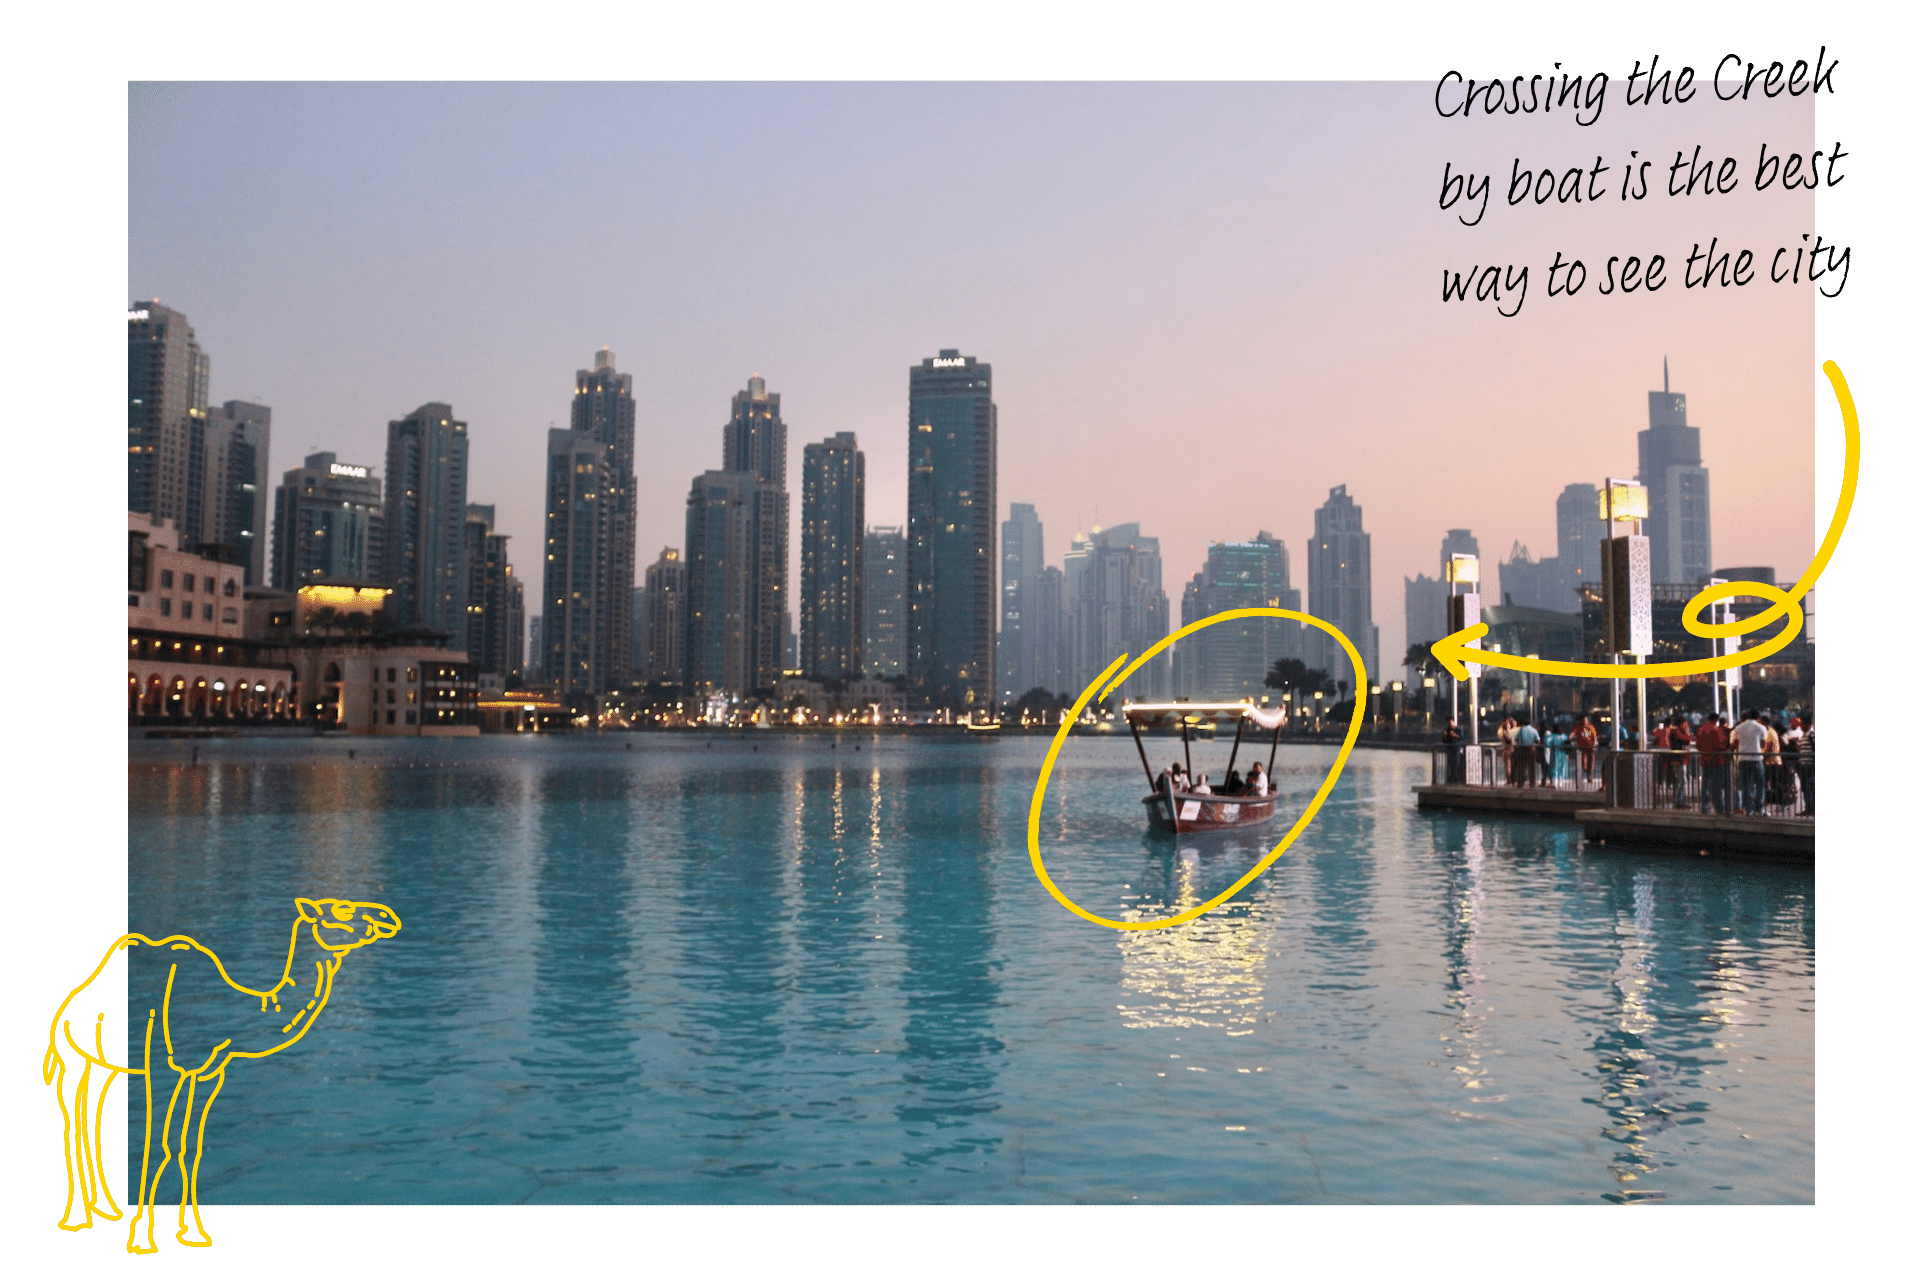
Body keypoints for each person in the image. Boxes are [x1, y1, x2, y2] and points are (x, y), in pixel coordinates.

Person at [1730, 709, 1768, 814]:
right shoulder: (1761, 727)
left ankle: (1749, 809)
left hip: (1743, 759)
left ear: (1747, 716)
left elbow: (1735, 744)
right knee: (1760, 784)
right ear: (1758, 717)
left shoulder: (1739, 727)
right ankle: (1759, 809)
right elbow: (1763, 745)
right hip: (1757, 758)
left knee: (1747, 785)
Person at [1695, 713, 1732, 815]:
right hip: (1717, 761)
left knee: (1705, 786)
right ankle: (1719, 808)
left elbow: (1698, 746)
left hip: (1704, 760)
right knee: (1717, 787)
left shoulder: (1700, 729)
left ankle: (1704, 808)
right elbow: (1721, 745)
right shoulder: (1717, 730)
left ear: (1707, 718)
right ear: (1717, 720)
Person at [1761, 714, 1786, 808]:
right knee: (1770, 782)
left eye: (1760, 721)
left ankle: (1782, 801)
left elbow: (1769, 748)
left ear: (1765, 722)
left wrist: (1761, 758)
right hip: (1770, 761)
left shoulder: (1770, 732)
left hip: (1772, 761)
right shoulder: (1769, 731)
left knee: (1773, 783)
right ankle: (1772, 801)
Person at [1511, 715, 1541, 787]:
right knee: (1531, 767)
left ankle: (1520, 783)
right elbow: (1538, 741)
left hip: (1521, 749)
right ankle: (1532, 783)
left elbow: (1517, 739)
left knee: (1521, 767)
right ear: (1530, 723)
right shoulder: (1534, 730)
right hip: (1530, 749)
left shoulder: (1521, 730)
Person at [1571, 715, 1599, 787]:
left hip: (1590, 747)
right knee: (1584, 762)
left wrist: (1595, 744)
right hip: (1582, 748)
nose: (1585, 721)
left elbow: (1594, 736)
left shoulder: (1591, 726)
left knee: (1591, 762)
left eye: (1586, 720)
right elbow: (1573, 734)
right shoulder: (1578, 726)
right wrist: (1570, 738)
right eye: (1584, 720)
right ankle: (1582, 776)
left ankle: (1589, 775)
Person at [1441, 716, 1464, 784]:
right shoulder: (1447, 729)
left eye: (1450, 722)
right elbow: (1444, 740)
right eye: (1448, 722)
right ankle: (1450, 778)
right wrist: (1444, 736)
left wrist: (1455, 736)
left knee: (1456, 763)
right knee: (1450, 763)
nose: (1449, 724)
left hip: (1456, 749)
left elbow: (1462, 738)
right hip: (1449, 749)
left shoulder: (1458, 729)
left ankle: (1456, 778)